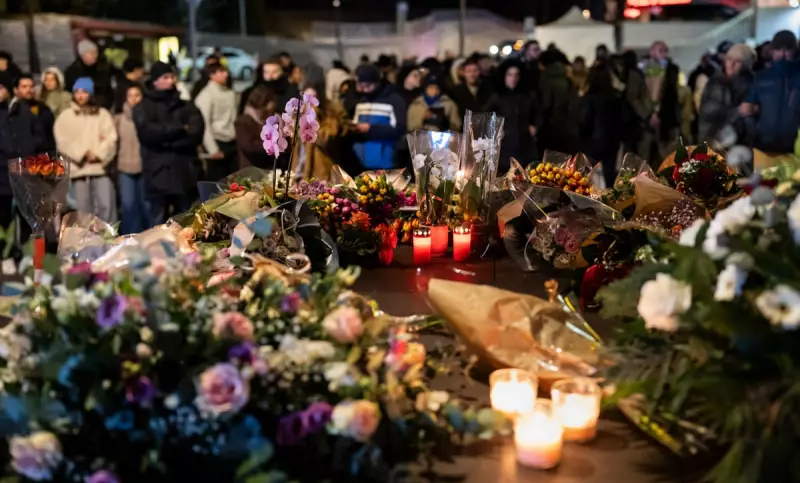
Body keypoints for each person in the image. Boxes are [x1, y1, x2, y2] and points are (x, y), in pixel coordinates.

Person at [133, 62, 204, 226]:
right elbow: (148, 134)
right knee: (158, 227)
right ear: (155, 81)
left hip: (184, 173)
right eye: (165, 77)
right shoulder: (143, 107)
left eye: (172, 76)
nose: (170, 81)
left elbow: (196, 132)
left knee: (188, 225)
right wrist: (180, 128)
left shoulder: (185, 105)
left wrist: (167, 137)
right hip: (157, 174)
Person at [54, 77, 118, 223]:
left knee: (106, 206)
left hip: (100, 168)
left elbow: (111, 138)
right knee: (83, 210)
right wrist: (82, 153)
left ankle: (108, 240)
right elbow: (63, 141)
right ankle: (86, 242)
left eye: (84, 92)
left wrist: (98, 154)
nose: (80, 96)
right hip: (79, 170)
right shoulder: (65, 117)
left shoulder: (102, 115)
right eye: (77, 92)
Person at [740, 31, 800, 154]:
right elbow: (747, 109)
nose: (783, 53)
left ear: (794, 50)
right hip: (764, 147)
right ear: (772, 50)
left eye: (787, 49)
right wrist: (754, 134)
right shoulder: (762, 78)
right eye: (778, 48)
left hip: (796, 150)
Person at [485, 60, 540, 172]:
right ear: (504, 76)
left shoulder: (528, 95)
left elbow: (538, 113)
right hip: (505, 145)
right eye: (510, 75)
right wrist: (496, 130)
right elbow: (486, 116)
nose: (513, 78)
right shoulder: (498, 97)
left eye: (516, 75)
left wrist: (535, 126)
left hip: (525, 143)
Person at [351, 64, 406, 170]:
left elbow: (399, 130)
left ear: (377, 82)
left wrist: (370, 128)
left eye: (368, 86)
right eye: (362, 86)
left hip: (386, 162)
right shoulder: (361, 101)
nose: (365, 90)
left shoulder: (394, 100)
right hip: (361, 162)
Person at [698, 43, 755, 145]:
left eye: (738, 61)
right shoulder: (714, 82)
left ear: (746, 65)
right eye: (729, 59)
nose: (731, 64)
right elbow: (705, 112)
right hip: (711, 138)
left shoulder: (753, 84)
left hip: (739, 143)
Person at [580, 62, 623, 186]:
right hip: (612, 141)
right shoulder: (616, 96)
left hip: (593, 142)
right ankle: (611, 202)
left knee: (586, 176)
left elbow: (585, 121)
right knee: (610, 175)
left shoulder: (589, 98)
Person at [637, 40, 681, 163]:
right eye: (661, 50)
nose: (664, 54)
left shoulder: (670, 70)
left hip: (667, 120)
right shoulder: (641, 71)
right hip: (646, 123)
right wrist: (649, 114)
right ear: (652, 52)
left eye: (665, 51)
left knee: (668, 158)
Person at [194, 64, 237, 181]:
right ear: (211, 75)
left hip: (232, 142)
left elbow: (233, 118)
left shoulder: (230, 93)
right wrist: (212, 148)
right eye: (221, 72)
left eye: (225, 71)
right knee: (217, 184)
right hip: (217, 142)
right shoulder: (206, 95)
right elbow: (203, 123)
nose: (225, 74)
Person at [115, 84, 148, 235]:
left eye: (137, 95)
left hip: (145, 167)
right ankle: (130, 238)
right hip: (125, 168)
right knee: (128, 206)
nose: (134, 99)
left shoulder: (149, 117)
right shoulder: (119, 119)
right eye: (130, 95)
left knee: (146, 206)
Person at [537, 49, 580, 155]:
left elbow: (545, 105)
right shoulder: (568, 79)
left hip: (550, 129)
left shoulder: (545, 78)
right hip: (569, 129)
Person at [9, 73, 56, 157]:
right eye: (24, 87)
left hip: (40, 160)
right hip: (18, 160)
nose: (29, 90)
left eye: (31, 86)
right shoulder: (12, 111)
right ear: (16, 90)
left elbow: (50, 136)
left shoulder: (44, 109)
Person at [64, 39, 116, 110]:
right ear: (83, 55)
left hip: (100, 108)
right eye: (92, 53)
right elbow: (69, 93)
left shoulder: (103, 69)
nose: (95, 56)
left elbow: (108, 91)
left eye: (96, 53)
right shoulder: (72, 72)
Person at [236, 84, 277, 170]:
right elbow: (249, 146)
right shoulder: (243, 122)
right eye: (272, 100)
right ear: (265, 102)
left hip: (271, 169)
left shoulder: (274, 119)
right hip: (252, 171)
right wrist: (273, 145)